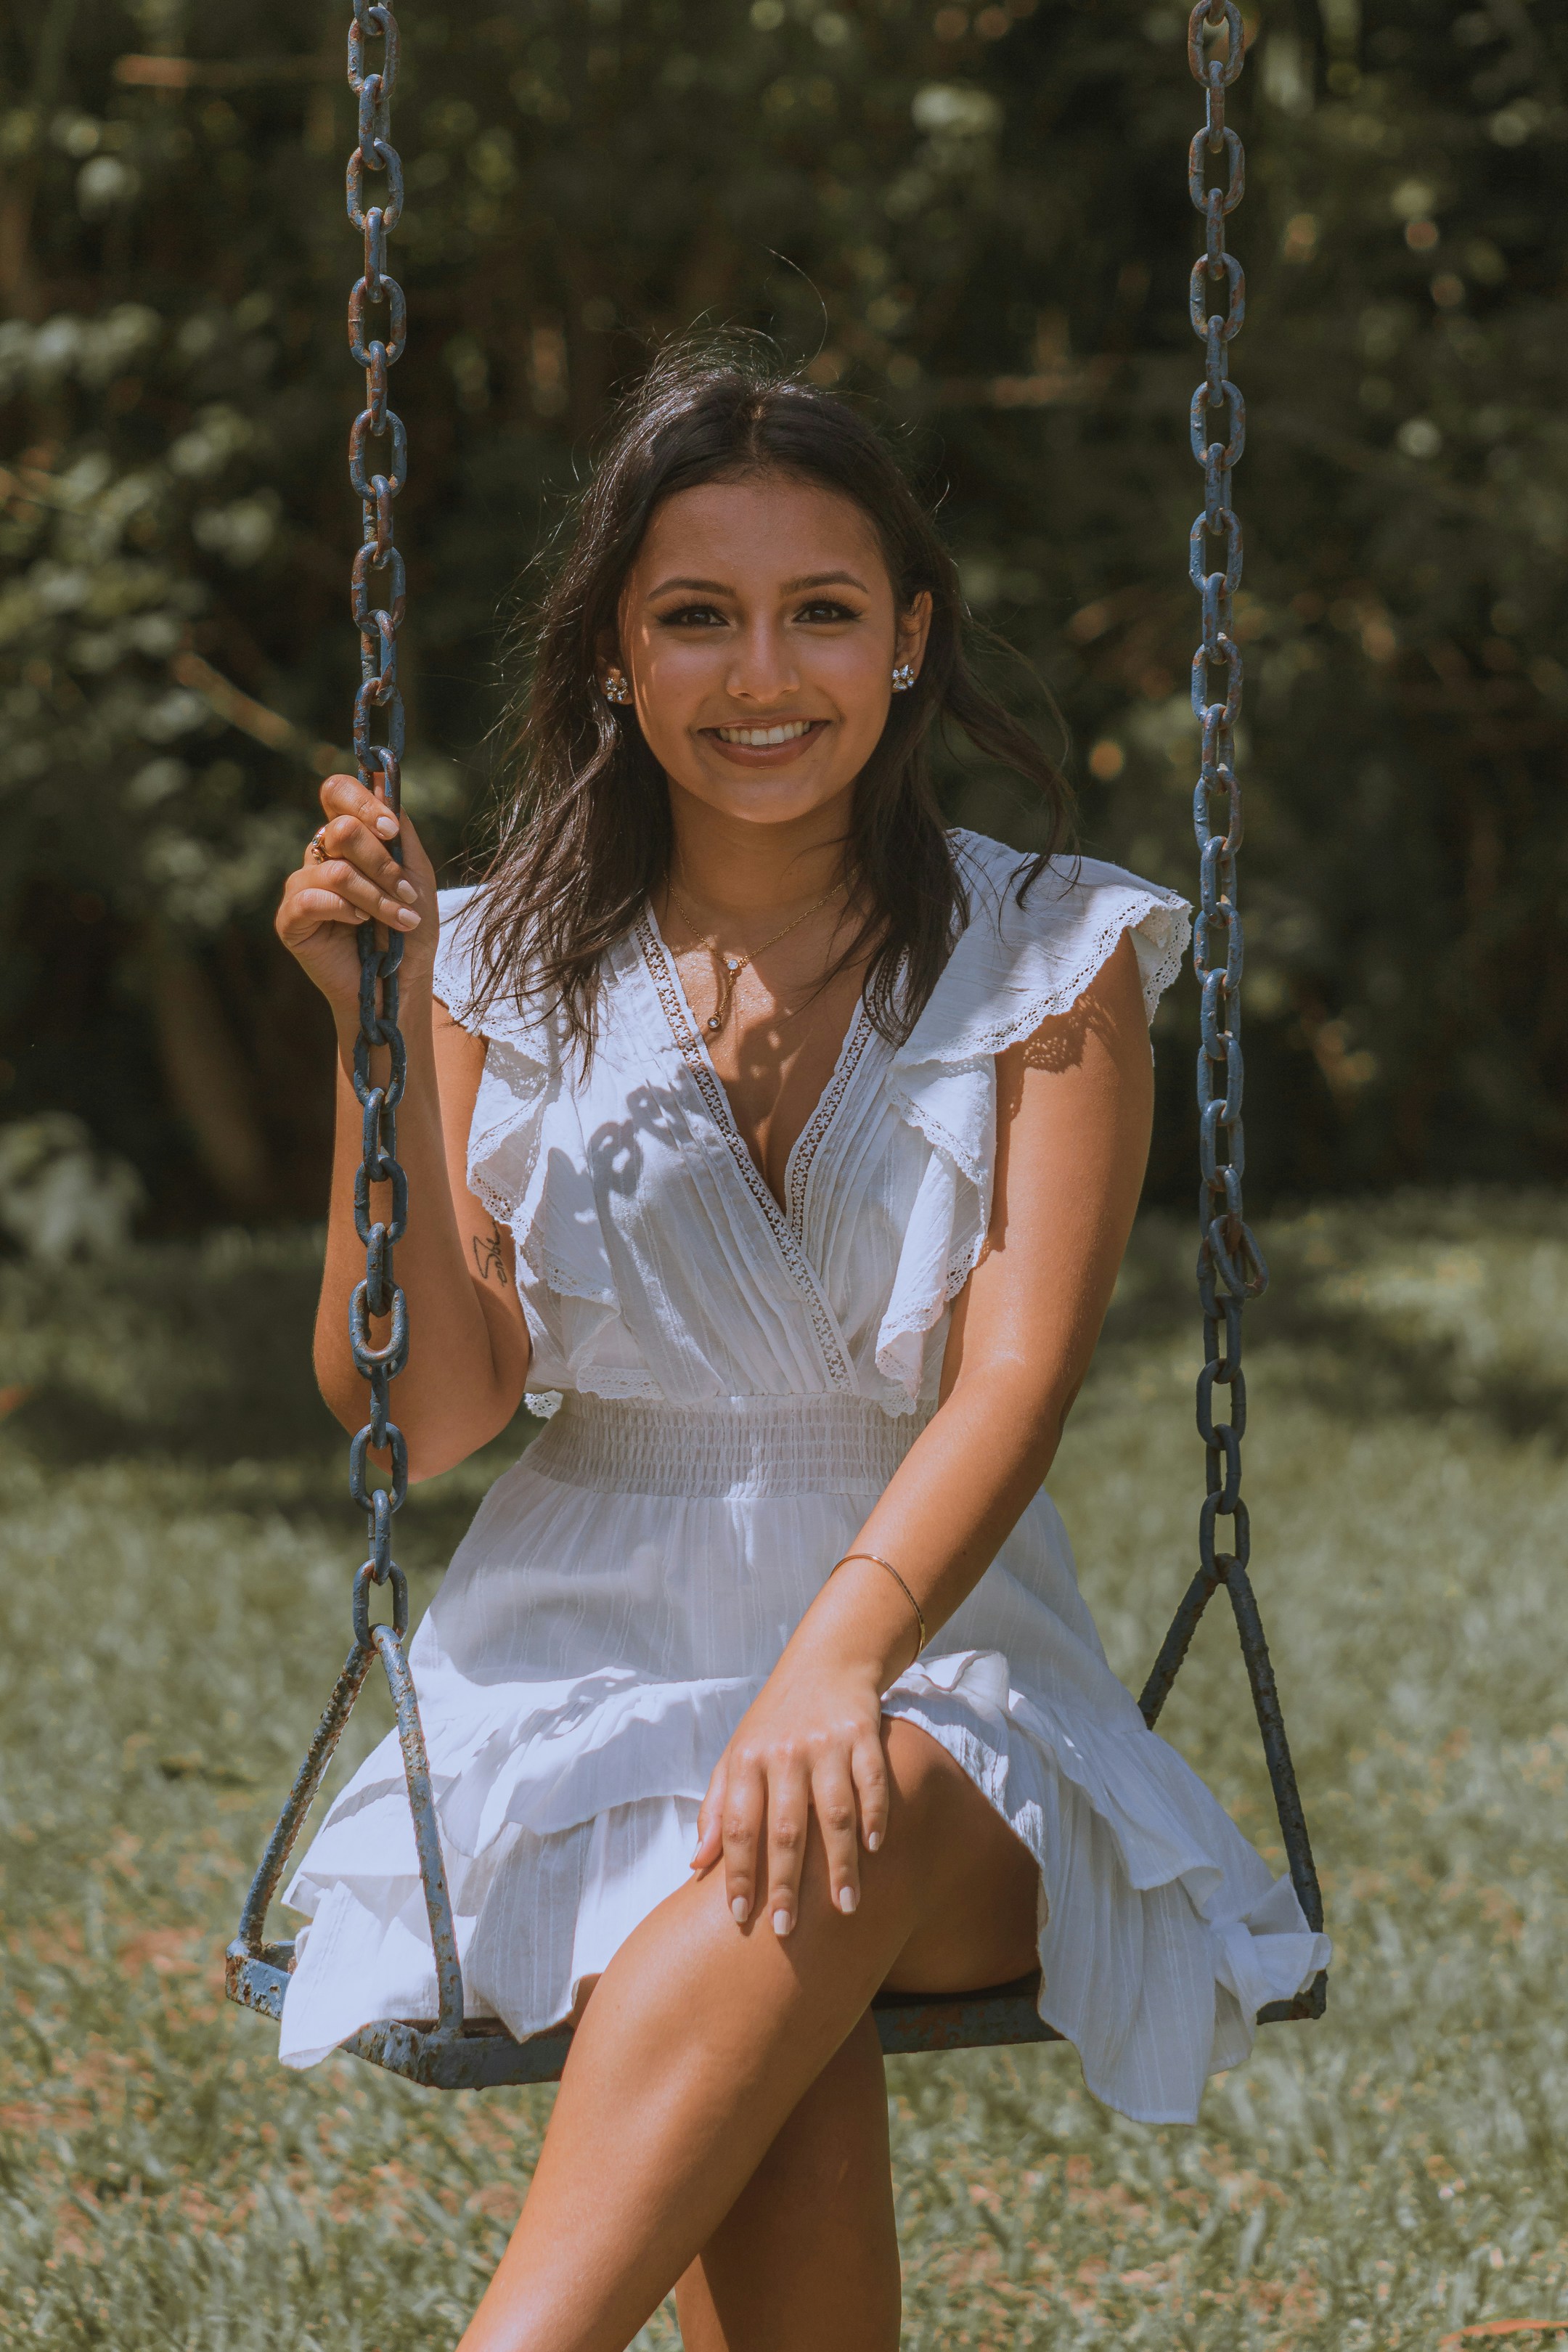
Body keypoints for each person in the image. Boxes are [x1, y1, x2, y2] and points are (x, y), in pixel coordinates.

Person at [273, 348, 1329, 2352]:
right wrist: (377, 1036)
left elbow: (1016, 1379)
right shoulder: (487, 963)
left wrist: (834, 1666)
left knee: (809, 1824)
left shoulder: (1049, 956)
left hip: (942, 1670)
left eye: (823, 611)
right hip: (578, 1675)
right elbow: (426, 1415)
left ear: (910, 641)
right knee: (764, 1940)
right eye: (698, 616)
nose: (766, 675)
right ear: (614, 654)